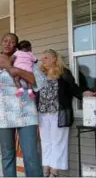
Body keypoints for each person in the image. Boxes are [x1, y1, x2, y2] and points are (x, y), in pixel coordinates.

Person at [0, 33, 46, 177]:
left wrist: (19, 71)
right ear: (1, 43)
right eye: (5, 41)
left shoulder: (25, 59)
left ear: (16, 45)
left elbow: (40, 82)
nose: (8, 44)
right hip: (2, 114)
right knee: (7, 155)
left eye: (12, 41)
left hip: (26, 113)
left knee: (31, 155)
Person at [36, 49, 96, 177]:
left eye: (46, 57)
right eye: (43, 58)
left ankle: (54, 171)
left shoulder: (63, 73)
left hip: (59, 112)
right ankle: (46, 168)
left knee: (58, 141)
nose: (43, 60)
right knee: (45, 141)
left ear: (54, 58)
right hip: (42, 113)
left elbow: (73, 88)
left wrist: (85, 93)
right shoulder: (39, 73)